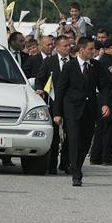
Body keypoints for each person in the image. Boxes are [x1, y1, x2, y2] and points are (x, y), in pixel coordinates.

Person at [53, 37, 111, 187]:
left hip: (90, 109)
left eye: (94, 49)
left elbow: (104, 86)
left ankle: (75, 165)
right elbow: (60, 89)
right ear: (82, 49)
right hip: (72, 109)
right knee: (74, 139)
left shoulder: (96, 66)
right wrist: (57, 113)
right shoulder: (70, 66)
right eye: (91, 49)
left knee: (85, 141)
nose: (94, 52)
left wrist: (105, 104)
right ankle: (76, 173)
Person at [36, 35, 72, 174]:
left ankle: (66, 163)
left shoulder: (73, 62)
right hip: (53, 102)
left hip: (69, 104)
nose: (68, 48)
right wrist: (39, 89)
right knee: (54, 136)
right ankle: (51, 165)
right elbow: (40, 78)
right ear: (57, 47)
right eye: (65, 46)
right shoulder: (49, 62)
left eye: (69, 45)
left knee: (70, 135)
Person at [90, 39, 112, 166]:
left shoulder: (104, 61)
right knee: (108, 127)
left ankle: (96, 155)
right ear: (106, 49)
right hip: (107, 98)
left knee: (101, 127)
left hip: (102, 97)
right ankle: (107, 156)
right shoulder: (107, 61)